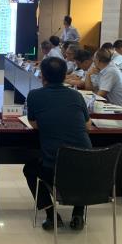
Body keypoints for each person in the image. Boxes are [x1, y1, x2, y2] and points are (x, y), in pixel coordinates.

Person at [23, 57, 92, 231]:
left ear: (42, 76)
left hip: (55, 170)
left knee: (30, 169)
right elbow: (87, 125)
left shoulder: (35, 95)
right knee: (80, 169)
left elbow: (34, 124)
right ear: (64, 76)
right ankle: (78, 214)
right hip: (89, 168)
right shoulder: (76, 95)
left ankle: (51, 215)